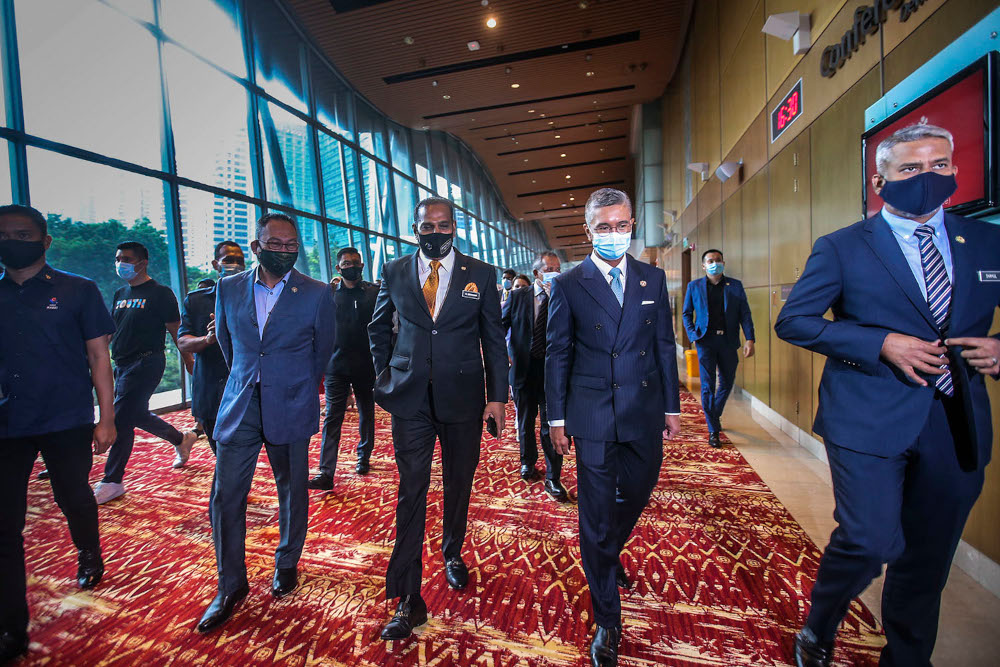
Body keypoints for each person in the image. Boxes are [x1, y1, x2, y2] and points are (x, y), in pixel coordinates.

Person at [775, 123, 1000, 667]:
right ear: (881, 181)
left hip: (956, 420)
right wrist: (880, 343)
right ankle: (820, 623)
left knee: (928, 558)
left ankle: (906, 657)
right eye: (910, 169)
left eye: (939, 165)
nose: (927, 177)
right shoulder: (844, 247)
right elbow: (795, 321)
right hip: (868, 417)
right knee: (870, 541)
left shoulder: (987, 241)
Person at [546, 188, 681, 667]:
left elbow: (663, 346)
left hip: (644, 408)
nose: (614, 234)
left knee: (639, 491)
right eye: (604, 227)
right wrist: (557, 418)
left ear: (631, 227)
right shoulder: (568, 283)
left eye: (622, 225)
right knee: (597, 514)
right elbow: (557, 353)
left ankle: (604, 553)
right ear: (589, 231)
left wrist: (672, 405)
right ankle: (608, 618)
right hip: (593, 414)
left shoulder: (652, 278)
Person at [369, 196, 508, 640]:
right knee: (411, 491)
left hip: (464, 399)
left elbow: (494, 339)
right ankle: (408, 598)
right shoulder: (393, 272)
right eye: (425, 226)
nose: (434, 233)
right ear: (415, 229)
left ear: (455, 227)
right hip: (410, 401)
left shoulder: (481, 275)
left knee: (458, 481)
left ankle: (452, 550)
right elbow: (378, 328)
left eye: (442, 225)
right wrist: (387, 373)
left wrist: (498, 397)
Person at [195, 213, 336, 633]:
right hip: (241, 403)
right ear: (256, 247)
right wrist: (248, 377)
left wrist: (294, 386)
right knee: (226, 494)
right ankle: (230, 584)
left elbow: (322, 351)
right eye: (275, 244)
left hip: (291, 401)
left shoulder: (315, 292)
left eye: (291, 244)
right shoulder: (228, 286)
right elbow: (225, 340)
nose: (284, 251)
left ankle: (287, 562)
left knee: (292, 488)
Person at [0, 205, 116, 662]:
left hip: (66, 418)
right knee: (5, 525)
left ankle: (89, 551)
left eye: (22, 233)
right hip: (8, 423)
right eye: (4, 234)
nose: (12, 239)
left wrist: (106, 417)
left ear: (45, 242)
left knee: (73, 496)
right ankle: (11, 626)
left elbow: (99, 358)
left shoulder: (78, 290)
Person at [95, 241, 197, 504]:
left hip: (147, 362)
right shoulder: (120, 294)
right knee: (134, 413)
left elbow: (177, 331)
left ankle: (112, 480)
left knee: (121, 418)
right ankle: (181, 439)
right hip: (122, 363)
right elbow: (110, 331)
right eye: (118, 258)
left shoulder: (160, 293)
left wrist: (188, 361)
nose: (121, 264)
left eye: (127, 259)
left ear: (142, 262)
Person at [308, 247, 379, 490]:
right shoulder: (327, 294)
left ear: (362, 265)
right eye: (346, 263)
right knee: (332, 418)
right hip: (335, 366)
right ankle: (326, 471)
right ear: (338, 268)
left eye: (355, 262)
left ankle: (364, 455)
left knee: (366, 411)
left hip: (365, 365)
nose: (352, 266)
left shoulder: (374, 293)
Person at [502, 250, 567, 500]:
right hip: (523, 371)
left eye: (557, 268)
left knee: (552, 426)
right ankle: (527, 461)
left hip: (553, 374)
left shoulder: (564, 295)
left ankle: (554, 477)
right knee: (526, 423)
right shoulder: (518, 297)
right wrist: (503, 355)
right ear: (536, 272)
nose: (554, 273)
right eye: (549, 268)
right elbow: (500, 326)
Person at [681, 249, 755, 448]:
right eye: (710, 261)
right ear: (703, 266)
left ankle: (714, 413)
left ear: (723, 262)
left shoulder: (735, 286)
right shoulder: (694, 286)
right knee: (707, 386)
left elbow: (745, 314)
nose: (715, 263)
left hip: (728, 341)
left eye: (718, 260)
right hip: (705, 341)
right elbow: (686, 313)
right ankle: (713, 430)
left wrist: (750, 339)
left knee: (727, 382)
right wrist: (693, 335)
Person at [178, 241, 245, 455]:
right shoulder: (197, 301)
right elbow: (183, 341)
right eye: (228, 260)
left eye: (239, 261)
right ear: (216, 264)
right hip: (211, 387)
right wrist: (208, 339)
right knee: (220, 451)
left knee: (242, 450)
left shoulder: (257, 296)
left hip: (246, 385)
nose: (234, 265)